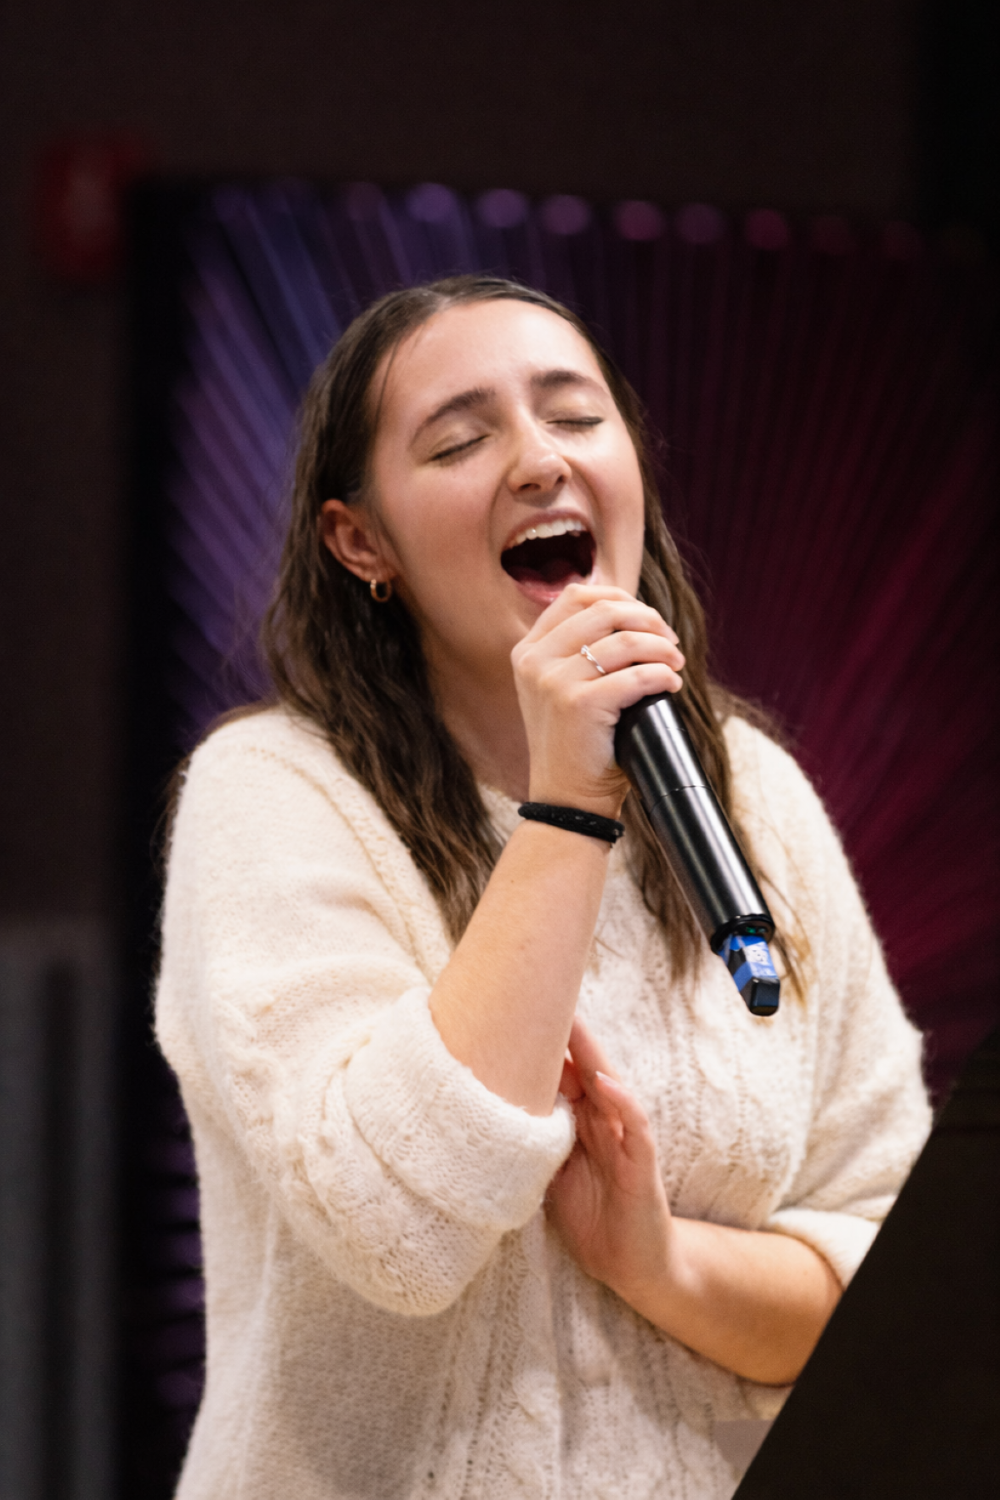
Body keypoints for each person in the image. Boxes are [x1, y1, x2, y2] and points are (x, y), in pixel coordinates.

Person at [156, 275, 930, 1499]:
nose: (538, 461)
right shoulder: (272, 794)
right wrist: (568, 803)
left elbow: (894, 1274)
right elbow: (396, 1230)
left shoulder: (752, 797)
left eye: (575, 417)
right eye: (458, 441)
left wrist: (660, 1265)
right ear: (361, 542)